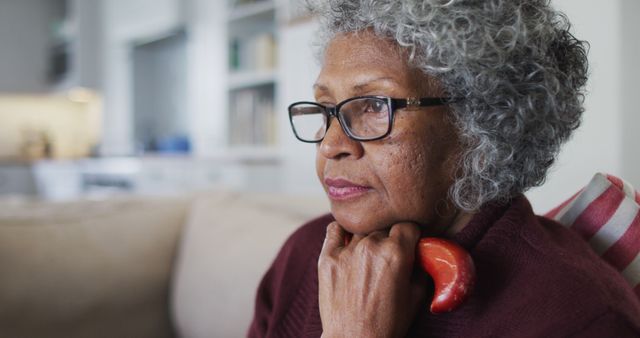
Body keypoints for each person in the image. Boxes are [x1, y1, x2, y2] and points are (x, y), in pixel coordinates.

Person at [248, 0, 640, 337]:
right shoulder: (305, 253)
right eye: (326, 109)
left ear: (483, 127)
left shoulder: (577, 316)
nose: (331, 144)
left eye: (373, 106)